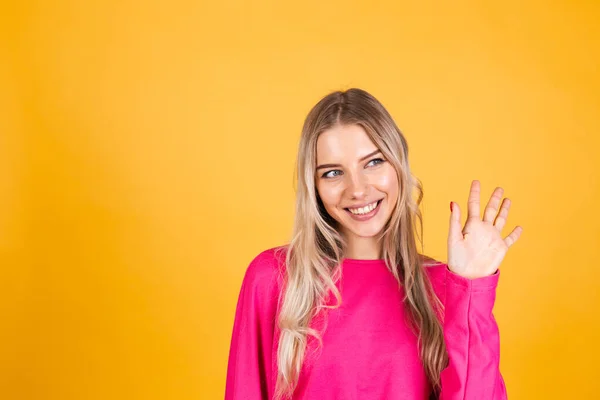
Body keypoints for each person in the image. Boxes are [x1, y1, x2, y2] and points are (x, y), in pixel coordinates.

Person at [224, 88, 523, 400]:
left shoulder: (444, 288)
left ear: (399, 166)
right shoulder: (274, 278)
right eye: (333, 172)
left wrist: (472, 288)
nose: (358, 189)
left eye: (373, 162)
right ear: (314, 186)